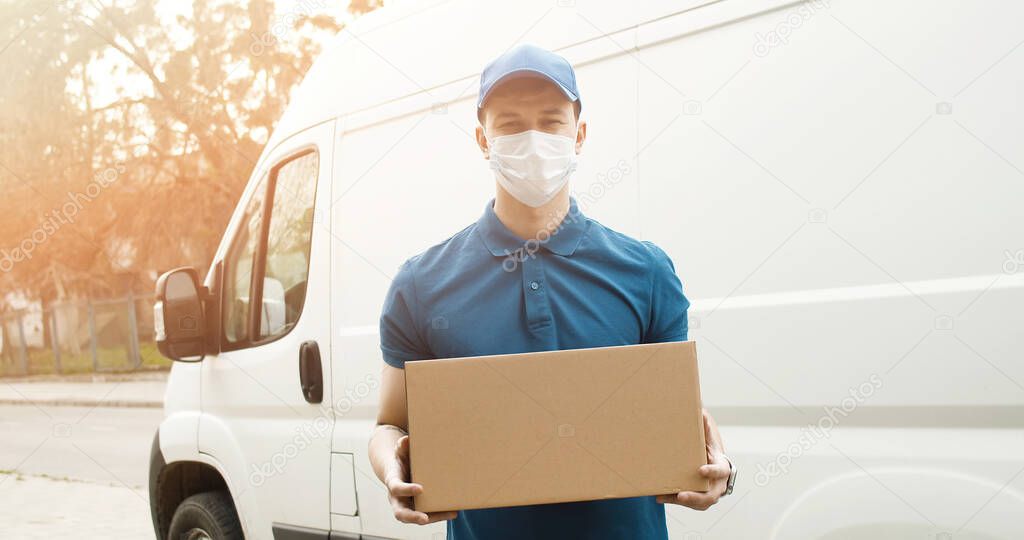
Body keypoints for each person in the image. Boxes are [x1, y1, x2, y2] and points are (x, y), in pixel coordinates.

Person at [368, 43, 735, 540]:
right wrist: (393, 471)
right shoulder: (421, 285)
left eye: (551, 120)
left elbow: (672, 414)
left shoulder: (645, 271)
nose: (533, 139)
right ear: (483, 140)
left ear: (579, 134)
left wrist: (714, 462)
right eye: (511, 125)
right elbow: (390, 425)